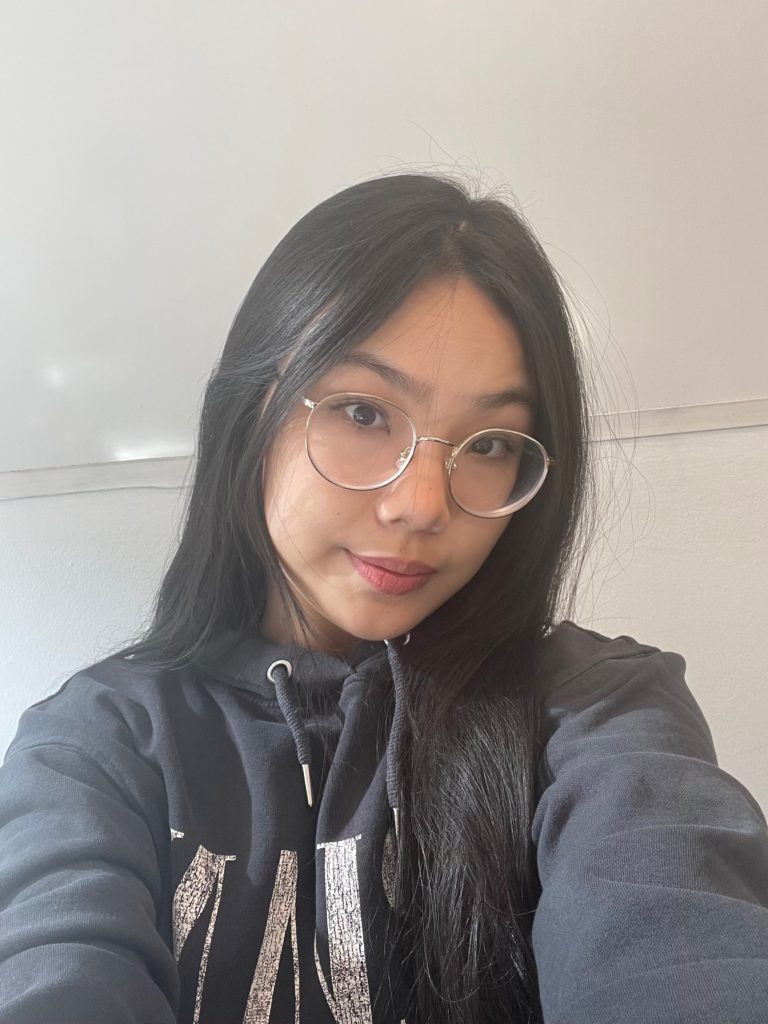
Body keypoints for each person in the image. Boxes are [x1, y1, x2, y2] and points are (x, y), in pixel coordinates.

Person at [0, 172, 766, 1024]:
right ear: (252, 413)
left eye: (491, 443)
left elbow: (679, 933)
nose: (424, 506)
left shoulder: (597, 710)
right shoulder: (100, 744)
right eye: (364, 413)